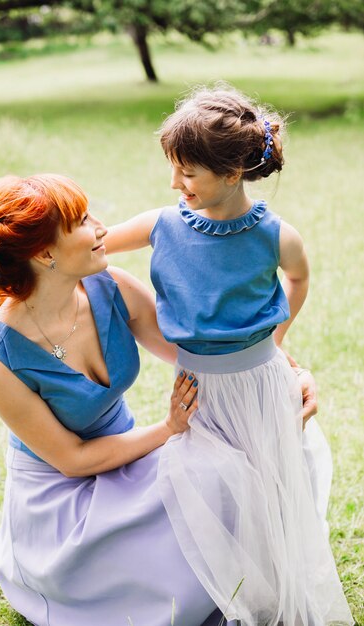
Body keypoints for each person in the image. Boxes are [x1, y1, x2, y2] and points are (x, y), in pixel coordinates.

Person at [95, 86, 354, 626]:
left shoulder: (275, 235)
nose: (174, 184)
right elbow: (91, 249)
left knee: (268, 485)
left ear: (233, 172)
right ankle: (206, 591)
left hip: (259, 382)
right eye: (173, 170)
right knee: (203, 486)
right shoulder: (160, 225)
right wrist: (10, 270)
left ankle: (271, 591)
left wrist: (276, 340)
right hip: (197, 388)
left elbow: (299, 278)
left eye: (187, 173)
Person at [0, 174, 226, 626]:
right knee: (156, 576)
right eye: (82, 220)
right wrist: (167, 429)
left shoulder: (109, 286)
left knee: (222, 474)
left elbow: (195, 352)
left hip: (129, 456)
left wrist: (281, 370)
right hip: (61, 500)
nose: (101, 227)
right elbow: (73, 459)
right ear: (43, 254)